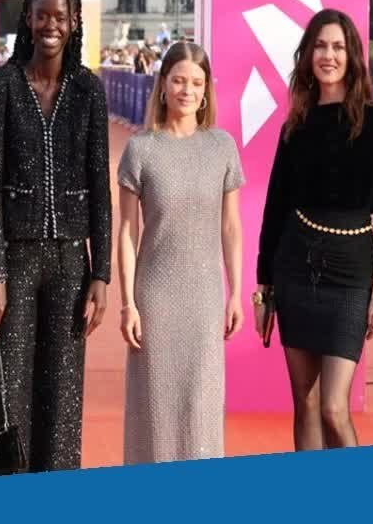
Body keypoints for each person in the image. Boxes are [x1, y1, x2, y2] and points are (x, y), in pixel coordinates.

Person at [0, 0, 112, 472]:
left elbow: (99, 185)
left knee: (61, 400)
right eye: (42, 15)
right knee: (8, 395)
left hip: (71, 265)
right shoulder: (5, 84)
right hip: (15, 259)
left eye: (61, 16)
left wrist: (101, 275)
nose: (51, 25)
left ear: (74, 22)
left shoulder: (88, 90)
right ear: (27, 19)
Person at [254, 8, 373, 450]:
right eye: (320, 46)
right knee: (304, 401)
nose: (328, 55)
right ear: (307, 55)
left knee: (334, 407)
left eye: (338, 46)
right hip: (295, 268)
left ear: (352, 55)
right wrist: (264, 291)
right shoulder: (295, 126)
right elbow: (275, 210)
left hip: (351, 272)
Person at [115, 42, 245, 464]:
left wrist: (236, 293)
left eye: (196, 83)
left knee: (202, 409)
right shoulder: (141, 149)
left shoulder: (222, 147)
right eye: (179, 81)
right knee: (154, 409)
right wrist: (128, 304)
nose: (187, 90)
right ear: (163, 84)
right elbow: (128, 232)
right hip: (155, 299)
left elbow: (231, 227)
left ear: (206, 90)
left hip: (205, 298)